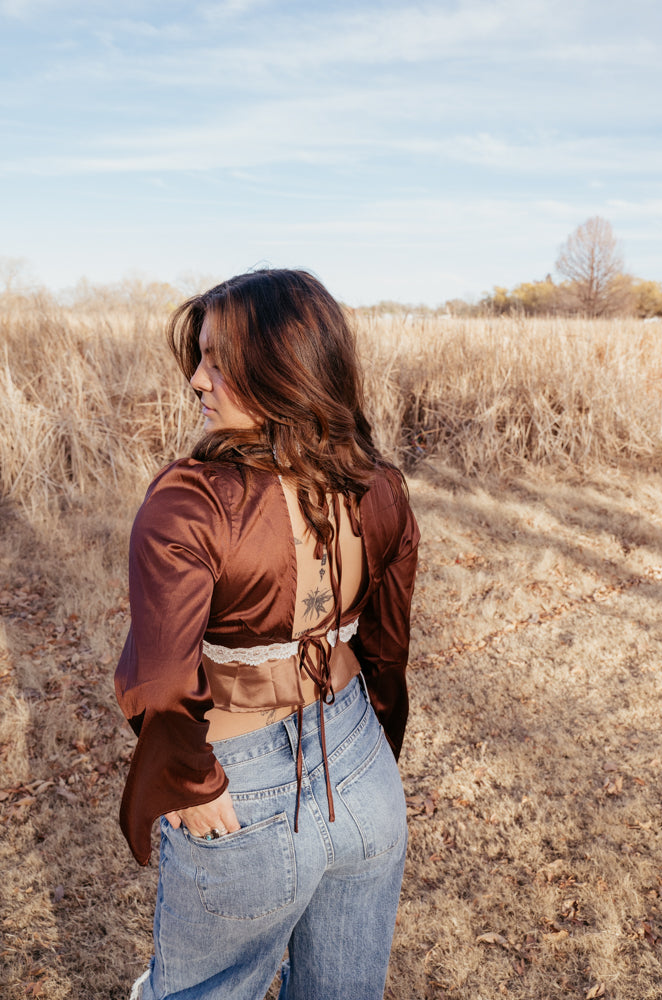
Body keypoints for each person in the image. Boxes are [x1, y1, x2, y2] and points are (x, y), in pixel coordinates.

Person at [115, 269, 420, 1000]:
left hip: (239, 794)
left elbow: (157, 682)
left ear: (283, 367)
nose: (196, 378)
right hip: (362, 773)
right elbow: (387, 649)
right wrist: (368, 754)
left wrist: (189, 777)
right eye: (200, 356)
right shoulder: (380, 486)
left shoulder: (191, 500)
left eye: (219, 359)